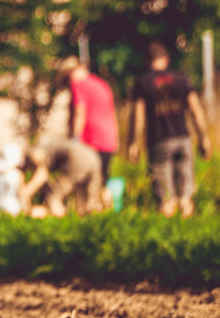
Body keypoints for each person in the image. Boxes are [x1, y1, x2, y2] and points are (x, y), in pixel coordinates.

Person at [127, 41, 212, 218]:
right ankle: (188, 235)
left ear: (146, 60)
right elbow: (196, 110)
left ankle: (167, 238)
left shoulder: (143, 82)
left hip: (159, 141)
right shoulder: (181, 79)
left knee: (165, 198)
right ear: (165, 59)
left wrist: (133, 143)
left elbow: (138, 117)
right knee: (185, 197)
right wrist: (204, 138)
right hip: (183, 139)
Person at [58, 56, 118, 200]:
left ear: (71, 73)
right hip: (108, 140)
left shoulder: (78, 85)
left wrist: (75, 138)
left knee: (85, 180)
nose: (68, 83)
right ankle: (107, 212)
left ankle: (88, 212)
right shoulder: (102, 84)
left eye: (67, 79)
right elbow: (112, 112)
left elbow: (80, 111)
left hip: (91, 140)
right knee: (102, 179)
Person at [20, 139, 104, 217]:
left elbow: (42, 174)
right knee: (88, 199)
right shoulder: (51, 146)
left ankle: (61, 221)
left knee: (53, 195)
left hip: (77, 158)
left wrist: (25, 193)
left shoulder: (33, 153)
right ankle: (90, 221)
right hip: (93, 157)